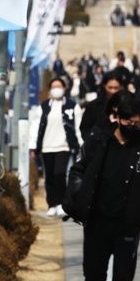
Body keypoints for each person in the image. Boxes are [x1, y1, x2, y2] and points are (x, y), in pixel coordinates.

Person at [64, 92, 140, 281]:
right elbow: (77, 170)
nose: (133, 127)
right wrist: (80, 196)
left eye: (137, 123)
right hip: (97, 221)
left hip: (128, 224)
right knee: (93, 278)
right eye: (129, 122)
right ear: (118, 118)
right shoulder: (99, 140)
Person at [35, 77, 83, 217]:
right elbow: (37, 126)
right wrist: (34, 146)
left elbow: (78, 127)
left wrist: (81, 144)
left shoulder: (72, 106)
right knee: (49, 176)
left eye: (59, 86)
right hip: (46, 146)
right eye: (53, 86)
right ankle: (51, 204)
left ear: (64, 88)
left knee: (60, 174)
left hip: (64, 146)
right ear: (50, 89)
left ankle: (62, 203)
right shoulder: (43, 107)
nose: (56, 89)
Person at [80, 72, 125, 143]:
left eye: (116, 88)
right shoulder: (94, 106)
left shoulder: (127, 104)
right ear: (104, 86)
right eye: (110, 88)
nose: (113, 91)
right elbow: (85, 128)